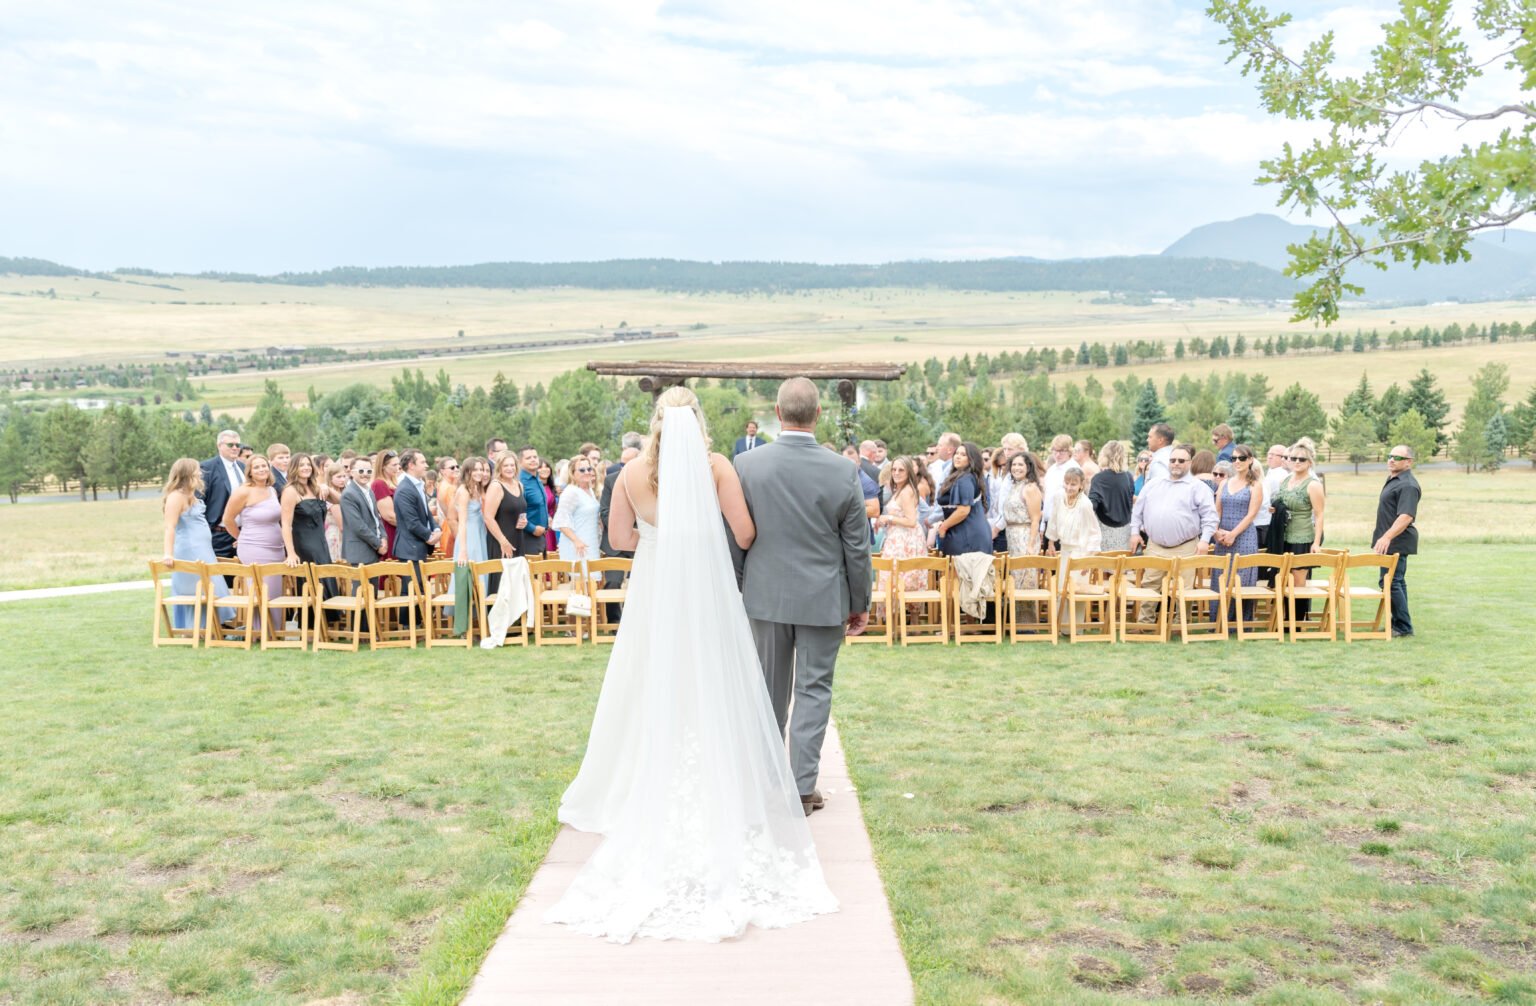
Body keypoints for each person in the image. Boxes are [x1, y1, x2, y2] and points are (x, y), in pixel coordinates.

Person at [548, 386, 839, 943]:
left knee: (647, 676)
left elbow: (617, 538)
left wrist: (661, 539)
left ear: (656, 421)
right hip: (706, 588)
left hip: (656, 586)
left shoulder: (631, 473)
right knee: (715, 674)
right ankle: (725, 774)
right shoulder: (717, 466)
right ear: (698, 420)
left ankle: (639, 771)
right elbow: (746, 532)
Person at [734, 378, 871, 816]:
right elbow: (857, 546)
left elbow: (736, 538)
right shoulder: (843, 470)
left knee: (769, 690)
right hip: (823, 597)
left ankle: (767, 782)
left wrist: (740, 588)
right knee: (814, 690)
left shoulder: (748, 465)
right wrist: (860, 602)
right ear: (817, 415)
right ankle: (802, 788)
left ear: (778, 412)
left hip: (765, 595)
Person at [1128, 444, 1218, 622]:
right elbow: (1137, 511)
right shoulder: (1153, 484)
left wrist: (1205, 540)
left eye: (1181, 461)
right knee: (1150, 585)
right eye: (1173, 460)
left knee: (1184, 589)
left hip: (1186, 546)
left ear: (1189, 463)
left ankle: (1181, 625)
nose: (1176, 463)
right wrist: (1134, 532)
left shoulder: (1198, 487)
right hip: (1155, 545)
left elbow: (1210, 517)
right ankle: (1144, 623)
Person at [159, 458, 232, 629]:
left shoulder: (191, 494)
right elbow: (170, 527)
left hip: (204, 548)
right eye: (197, 470)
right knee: (198, 588)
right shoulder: (176, 496)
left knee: (212, 585)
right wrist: (168, 554)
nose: (200, 473)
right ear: (187, 473)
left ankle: (213, 627)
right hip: (190, 549)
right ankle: (198, 628)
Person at [224, 454, 286, 625]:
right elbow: (228, 519)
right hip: (254, 548)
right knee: (261, 590)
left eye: (264, 466)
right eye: (256, 467)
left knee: (274, 590)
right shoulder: (243, 491)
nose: (262, 469)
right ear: (250, 472)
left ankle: (275, 631)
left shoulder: (272, 490)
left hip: (276, 548)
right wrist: (240, 537)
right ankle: (260, 631)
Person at [1374, 444, 1421, 638]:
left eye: (1397, 458)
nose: (1392, 460)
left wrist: (1386, 537)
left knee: (1391, 582)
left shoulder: (1408, 485)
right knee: (1395, 582)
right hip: (1390, 540)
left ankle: (1403, 627)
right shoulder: (1394, 479)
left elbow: (1406, 516)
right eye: (1390, 456)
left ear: (1409, 462)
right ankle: (1398, 623)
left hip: (1397, 541)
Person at [1276, 442, 1327, 618]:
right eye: (1293, 458)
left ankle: (1296, 621)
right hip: (1282, 536)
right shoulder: (1284, 481)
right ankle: (1283, 619)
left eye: (1301, 459)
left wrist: (1316, 542)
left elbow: (1319, 515)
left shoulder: (1313, 485)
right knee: (1282, 579)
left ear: (1309, 462)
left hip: (1302, 537)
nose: (1296, 461)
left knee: (1298, 582)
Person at [1211, 446, 1263, 617]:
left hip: (1244, 537)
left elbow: (1251, 514)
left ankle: (1239, 623)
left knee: (1241, 577)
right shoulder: (1225, 482)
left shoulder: (1255, 485)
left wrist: (1233, 534)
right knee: (1221, 575)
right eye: (1234, 459)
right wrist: (1217, 532)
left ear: (1250, 460)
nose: (1237, 462)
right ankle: (1218, 620)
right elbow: (1217, 510)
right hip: (1222, 536)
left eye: (1241, 458)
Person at [874, 455, 928, 606]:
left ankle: (900, 622)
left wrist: (888, 518)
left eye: (901, 470)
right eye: (894, 470)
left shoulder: (905, 492)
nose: (896, 473)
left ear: (909, 472)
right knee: (902, 578)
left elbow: (911, 521)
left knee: (903, 578)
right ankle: (906, 622)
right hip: (898, 537)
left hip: (905, 541)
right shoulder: (901, 489)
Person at [935, 441, 993, 558]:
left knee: (961, 574)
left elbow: (963, 510)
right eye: (957, 453)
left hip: (966, 534)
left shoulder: (964, 479)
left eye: (963, 455)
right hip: (968, 531)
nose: (958, 456)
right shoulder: (967, 476)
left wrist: (944, 526)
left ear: (972, 459)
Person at [484, 450, 529, 597]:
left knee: (516, 579)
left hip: (518, 538)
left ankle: (516, 617)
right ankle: (498, 618)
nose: (510, 468)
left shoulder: (519, 485)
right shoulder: (496, 486)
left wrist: (524, 521)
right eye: (505, 466)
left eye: (512, 465)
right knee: (501, 581)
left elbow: (519, 510)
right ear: (499, 468)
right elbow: (488, 517)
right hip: (500, 541)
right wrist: (503, 541)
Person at [392, 449, 441, 574]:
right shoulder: (405, 489)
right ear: (411, 465)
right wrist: (429, 536)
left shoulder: (417, 485)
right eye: (423, 462)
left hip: (418, 546)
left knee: (420, 589)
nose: (427, 465)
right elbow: (412, 522)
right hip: (410, 548)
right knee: (412, 590)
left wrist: (436, 529)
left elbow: (426, 513)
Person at [279, 453, 332, 568]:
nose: (306, 467)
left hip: (321, 543)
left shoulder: (315, 488)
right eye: (301, 465)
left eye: (308, 464)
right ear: (294, 468)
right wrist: (291, 553)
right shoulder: (290, 491)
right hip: (304, 545)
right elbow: (286, 525)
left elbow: (340, 501)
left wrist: (326, 487)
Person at [552, 454, 602, 577]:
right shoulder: (571, 492)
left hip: (591, 541)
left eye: (589, 469)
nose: (587, 472)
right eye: (582, 470)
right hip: (578, 545)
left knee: (592, 582)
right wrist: (576, 541)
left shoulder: (589, 490)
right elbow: (561, 522)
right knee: (582, 584)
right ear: (572, 473)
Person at [199, 429, 245, 560]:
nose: (235, 448)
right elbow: (199, 501)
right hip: (219, 535)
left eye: (238, 445)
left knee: (246, 578)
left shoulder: (244, 468)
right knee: (222, 577)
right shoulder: (206, 468)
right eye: (231, 445)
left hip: (245, 534)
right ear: (219, 445)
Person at [451, 456, 491, 601]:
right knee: (473, 572)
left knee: (481, 570)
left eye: (481, 469)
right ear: (467, 471)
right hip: (469, 536)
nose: (480, 472)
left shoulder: (476, 488)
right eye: (475, 469)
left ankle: (480, 611)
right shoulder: (464, 491)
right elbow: (461, 522)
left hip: (479, 533)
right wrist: (462, 550)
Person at [1003, 451, 1044, 590]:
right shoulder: (1015, 486)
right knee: (1015, 578)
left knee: (1025, 577)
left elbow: (1035, 518)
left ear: (1028, 467)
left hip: (1025, 536)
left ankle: (1027, 612)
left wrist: (1031, 544)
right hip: (1012, 536)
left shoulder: (1030, 488)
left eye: (1021, 464)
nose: (1016, 468)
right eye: (1014, 464)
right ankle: (1015, 611)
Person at [1088, 441, 1135, 552]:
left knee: (1103, 567)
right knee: (1122, 565)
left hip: (1104, 530)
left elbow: (1092, 506)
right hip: (1125, 529)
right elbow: (1130, 501)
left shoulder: (1099, 478)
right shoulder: (1128, 476)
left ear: (1104, 455)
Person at [341, 457, 388, 567]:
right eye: (361, 471)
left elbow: (377, 518)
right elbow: (358, 526)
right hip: (360, 552)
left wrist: (384, 538)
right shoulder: (349, 494)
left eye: (369, 471)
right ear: (352, 472)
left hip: (373, 550)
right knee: (361, 585)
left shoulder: (369, 491)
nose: (365, 474)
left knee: (374, 584)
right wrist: (378, 544)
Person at [517, 447, 549, 558]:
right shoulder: (520, 482)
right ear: (520, 462)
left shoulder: (537, 479)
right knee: (532, 574)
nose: (533, 460)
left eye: (535, 457)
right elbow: (516, 511)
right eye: (528, 458)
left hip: (542, 536)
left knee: (541, 574)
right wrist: (533, 528)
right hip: (527, 537)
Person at [370, 449, 401, 558]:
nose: (398, 467)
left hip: (399, 531)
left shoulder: (394, 482)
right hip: (390, 532)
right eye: (394, 465)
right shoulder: (379, 484)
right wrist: (411, 526)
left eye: (398, 464)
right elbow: (389, 516)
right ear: (383, 466)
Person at [983, 447, 1013, 553]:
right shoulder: (997, 478)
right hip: (995, 523)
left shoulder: (1012, 480)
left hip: (1005, 528)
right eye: (1000, 465)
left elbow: (1008, 508)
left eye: (1005, 464)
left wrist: (996, 529)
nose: (1003, 468)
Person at [435, 456, 461, 560]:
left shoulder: (444, 485)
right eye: (452, 467)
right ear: (442, 471)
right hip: (451, 529)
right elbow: (456, 513)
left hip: (447, 527)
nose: (456, 469)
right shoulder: (449, 488)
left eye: (457, 466)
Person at [322, 461, 348, 561]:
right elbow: (341, 525)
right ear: (330, 478)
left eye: (344, 476)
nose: (342, 479)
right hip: (336, 535)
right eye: (338, 477)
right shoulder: (329, 495)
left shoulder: (345, 492)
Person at [914, 468, 943, 548]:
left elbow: (925, 510)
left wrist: (918, 525)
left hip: (920, 528)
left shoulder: (919, 486)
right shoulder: (924, 482)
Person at [539, 460, 560, 553]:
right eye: (540, 467)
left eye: (546, 466)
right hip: (543, 526)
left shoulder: (551, 487)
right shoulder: (536, 488)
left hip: (553, 527)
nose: (544, 469)